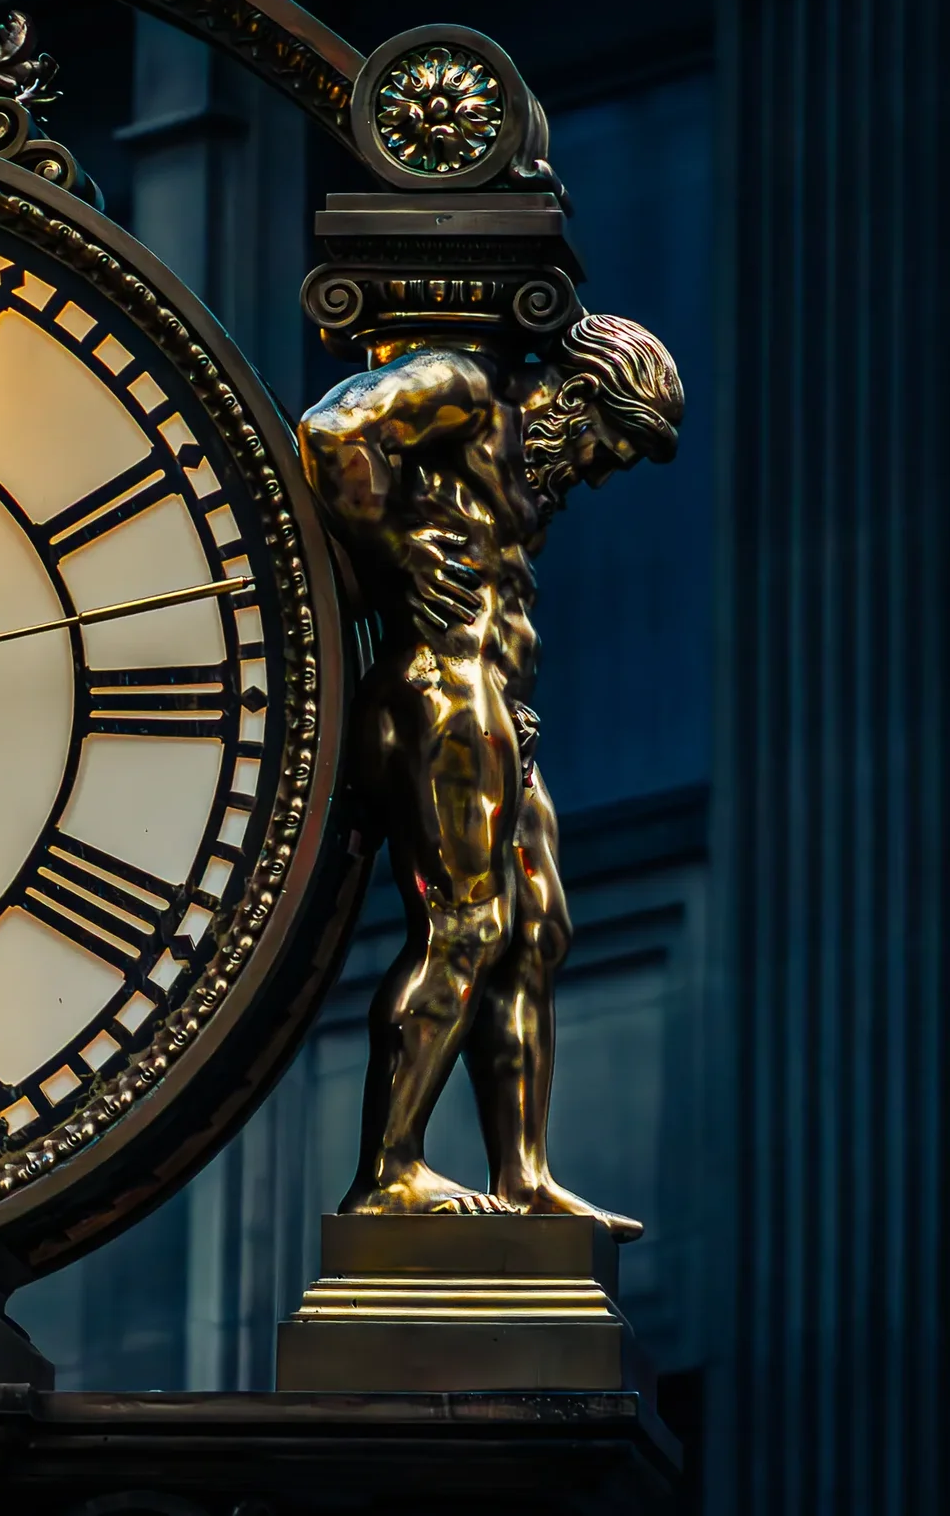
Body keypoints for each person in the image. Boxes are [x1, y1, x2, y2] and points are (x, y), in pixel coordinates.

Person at [300, 313, 683, 1240]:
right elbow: (333, 428)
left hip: (497, 698)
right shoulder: (465, 387)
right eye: (612, 445)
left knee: (537, 925)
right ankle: (388, 1171)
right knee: (468, 922)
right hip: (439, 685)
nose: (601, 469)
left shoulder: (525, 457)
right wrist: (393, 552)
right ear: (580, 396)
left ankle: (523, 1174)